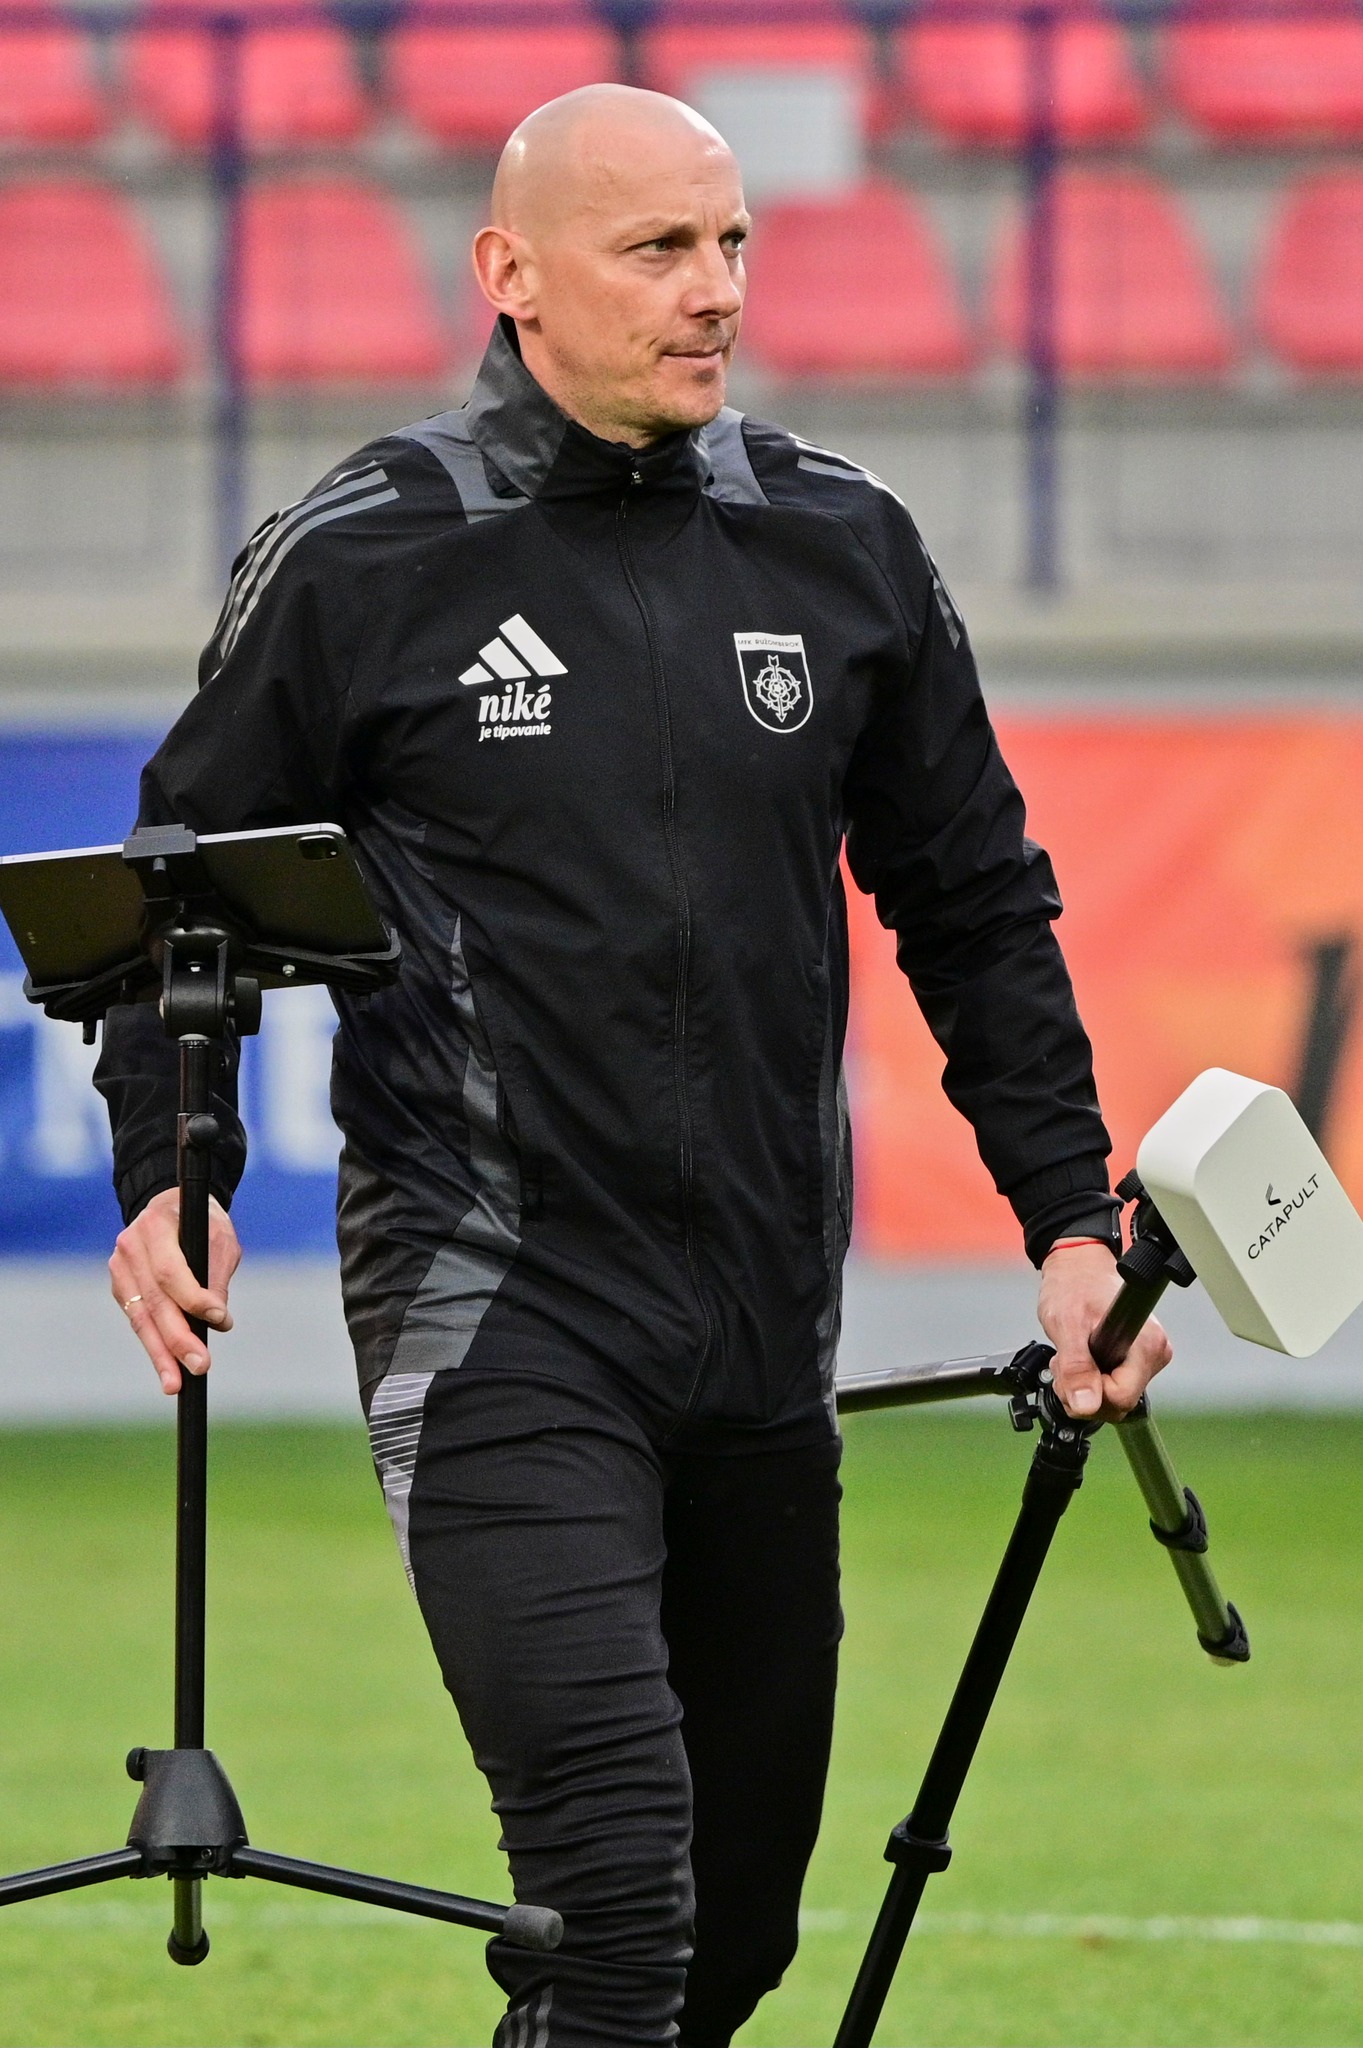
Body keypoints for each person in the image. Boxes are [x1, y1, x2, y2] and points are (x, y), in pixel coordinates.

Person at [95, 85, 1170, 2048]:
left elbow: (977, 908)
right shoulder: (361, 553)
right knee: (615, 1891)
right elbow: (184, 901)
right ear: (509, 274)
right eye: (660, 248)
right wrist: (176, 1165)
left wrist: (1073, 1220)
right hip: (493, 1314)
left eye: (732, 241)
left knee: (726, 1946)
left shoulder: (842, 539)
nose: (717, 289)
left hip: (763, 1327)